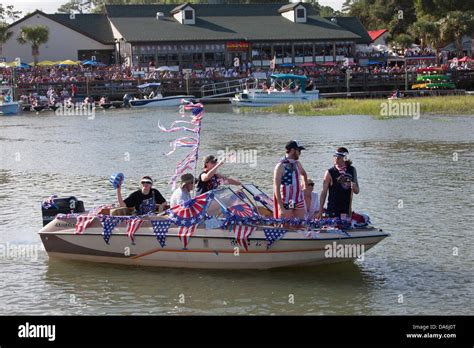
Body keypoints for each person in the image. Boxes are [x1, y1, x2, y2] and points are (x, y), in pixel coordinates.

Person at [317, 147, 359, 219]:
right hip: (333, 210)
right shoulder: (329, 172)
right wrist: (320, 210)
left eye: (339, 157)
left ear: (345, 158)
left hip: (346, 210)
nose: (336, 159)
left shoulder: (352, 170)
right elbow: (324, 192)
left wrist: (354, 187)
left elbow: (357, 191)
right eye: (335, 157)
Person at [273, 140, 308, 220]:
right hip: (286, 201)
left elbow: (304, 174)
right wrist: (281, 207)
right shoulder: (280, 166)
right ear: (292, 150)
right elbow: (276, 188)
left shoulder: (297, 164)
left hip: (298, 199)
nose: (300, 153)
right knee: (286, 225)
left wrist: (305, 186)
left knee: (302, 223)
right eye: (299, 150)